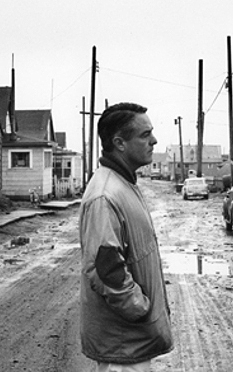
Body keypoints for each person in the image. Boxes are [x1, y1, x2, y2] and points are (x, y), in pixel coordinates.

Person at [79, 102, 173, 371]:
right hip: (122, 345)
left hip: (131, 342)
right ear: (119, 143)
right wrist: (139, 309)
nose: (154, 141)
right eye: (145, 135)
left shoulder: (124, 184)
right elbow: (105, 268)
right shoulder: (105, 195)